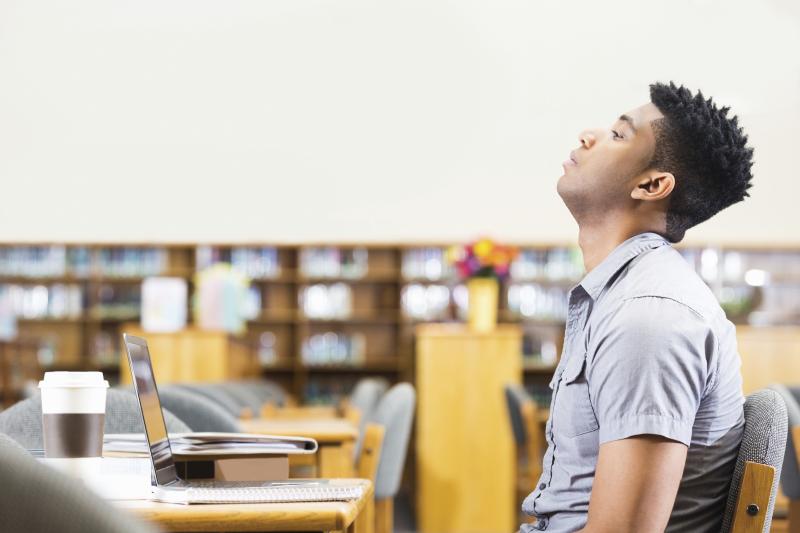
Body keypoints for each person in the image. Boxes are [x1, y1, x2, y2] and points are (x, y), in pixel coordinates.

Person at [521, 82, 754, 533]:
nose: (588, 135)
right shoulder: (624, 296)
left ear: (651, 185)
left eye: (617, 134)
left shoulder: (648, 318)